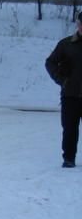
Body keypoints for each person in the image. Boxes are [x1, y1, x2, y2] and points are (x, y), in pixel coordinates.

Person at [45, 12, 82, 168]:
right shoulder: (66, 44)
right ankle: (68, 158)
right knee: (69, 129)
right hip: (70, 95)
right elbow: (50, 62)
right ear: (78, 24)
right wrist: (62, 80)